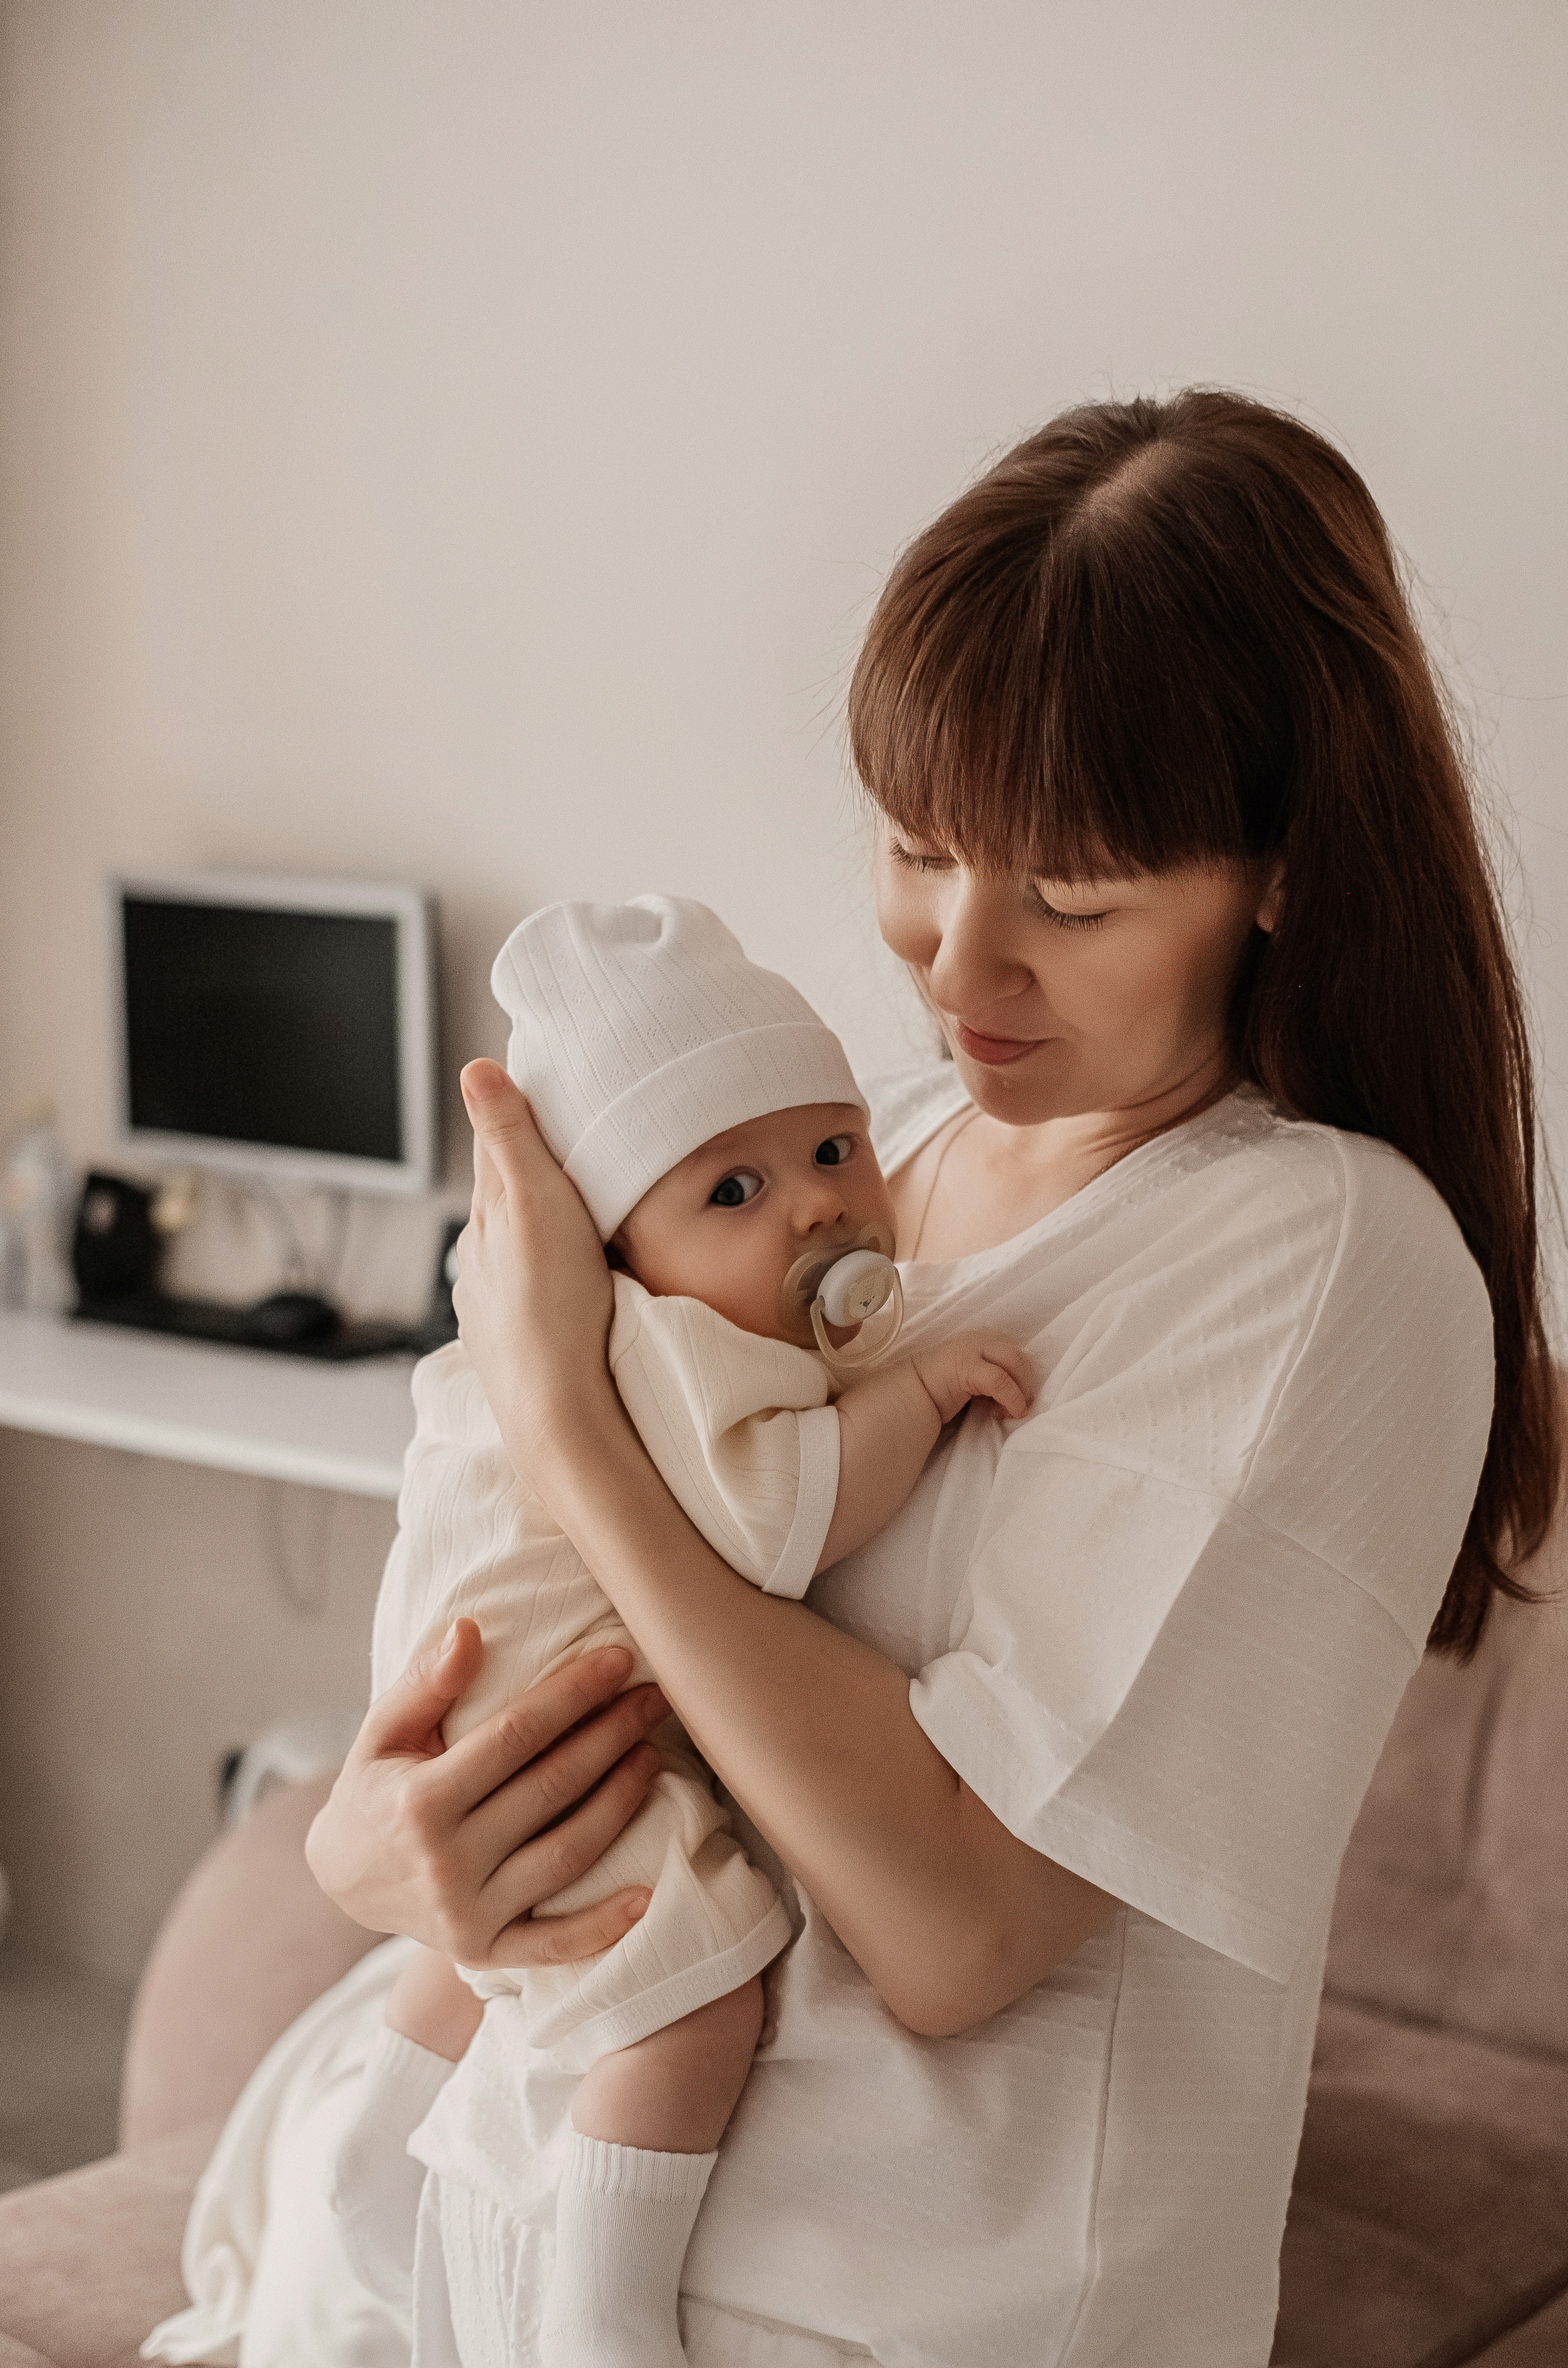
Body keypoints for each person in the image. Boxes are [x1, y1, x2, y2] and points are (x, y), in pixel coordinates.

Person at [298, 385, 1558, 2367]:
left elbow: (960, 1928)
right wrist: (378, 1855)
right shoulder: (858, 1153)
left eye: (1067, 898)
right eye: (919, 853)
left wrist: (570, 1418)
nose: (957, 973)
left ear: (1284, 868)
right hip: (527, 2240)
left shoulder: (1319, 1252)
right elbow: (523, 1616)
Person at [330, 892, 1033, 2368]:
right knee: (693, 2002)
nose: (817, 1206)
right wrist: (908, 1396)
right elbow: (780, 1517)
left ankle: (367, 2145)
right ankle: (601, 2307)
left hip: (463, 1710)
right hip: (565, 1724)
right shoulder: (669, 1351)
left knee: (482, 1950)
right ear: (612, 1253)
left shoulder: (556, 1349)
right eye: (729, 1192)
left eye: (834, 1149)